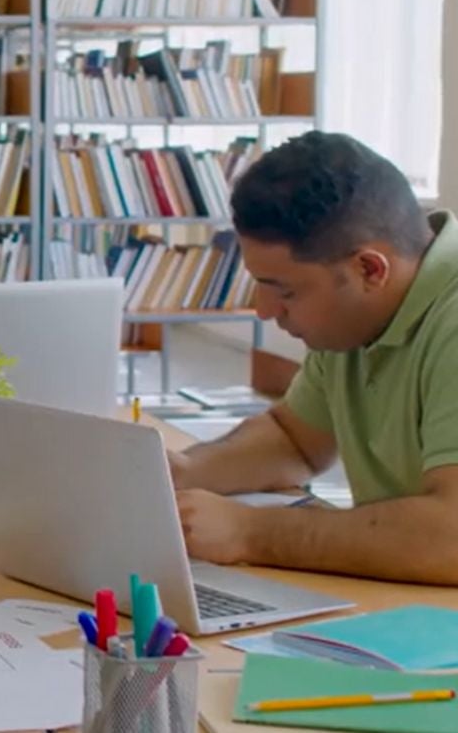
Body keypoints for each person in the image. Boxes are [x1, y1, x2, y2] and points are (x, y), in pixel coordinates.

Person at [171, 131, 458, 586]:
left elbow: (451, 538)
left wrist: (251, 532)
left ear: (369, 269)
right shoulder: (352, 323)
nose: (265, 311)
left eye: (285, 290)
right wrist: (181, 474)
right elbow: (294, 441)